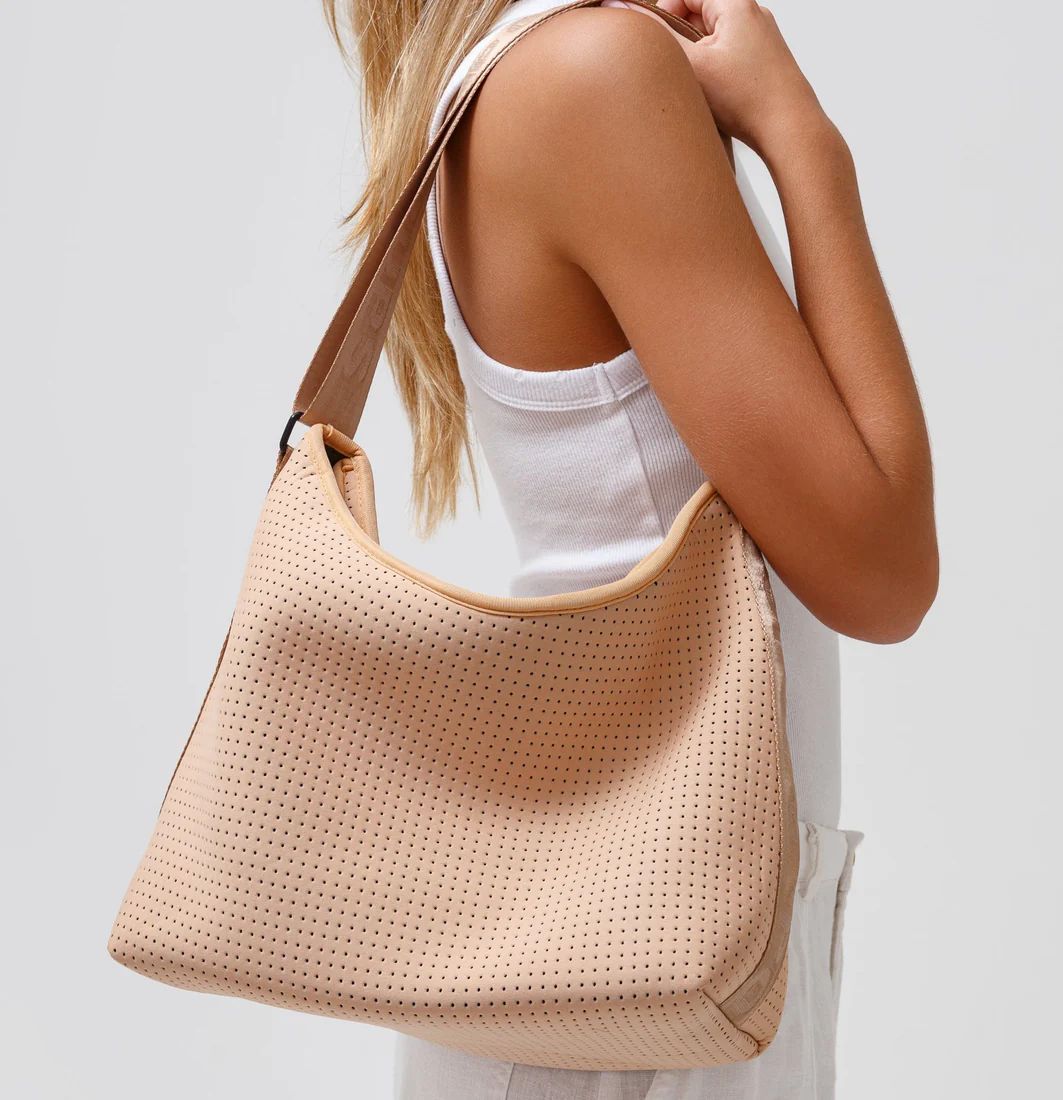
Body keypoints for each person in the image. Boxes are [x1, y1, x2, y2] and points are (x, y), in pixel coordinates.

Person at [324, 0, 939, 1095]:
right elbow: (883, 572)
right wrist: (802, 137)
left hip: (654, 940)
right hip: (638, 961)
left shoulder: (552, 64)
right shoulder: (591, 72)